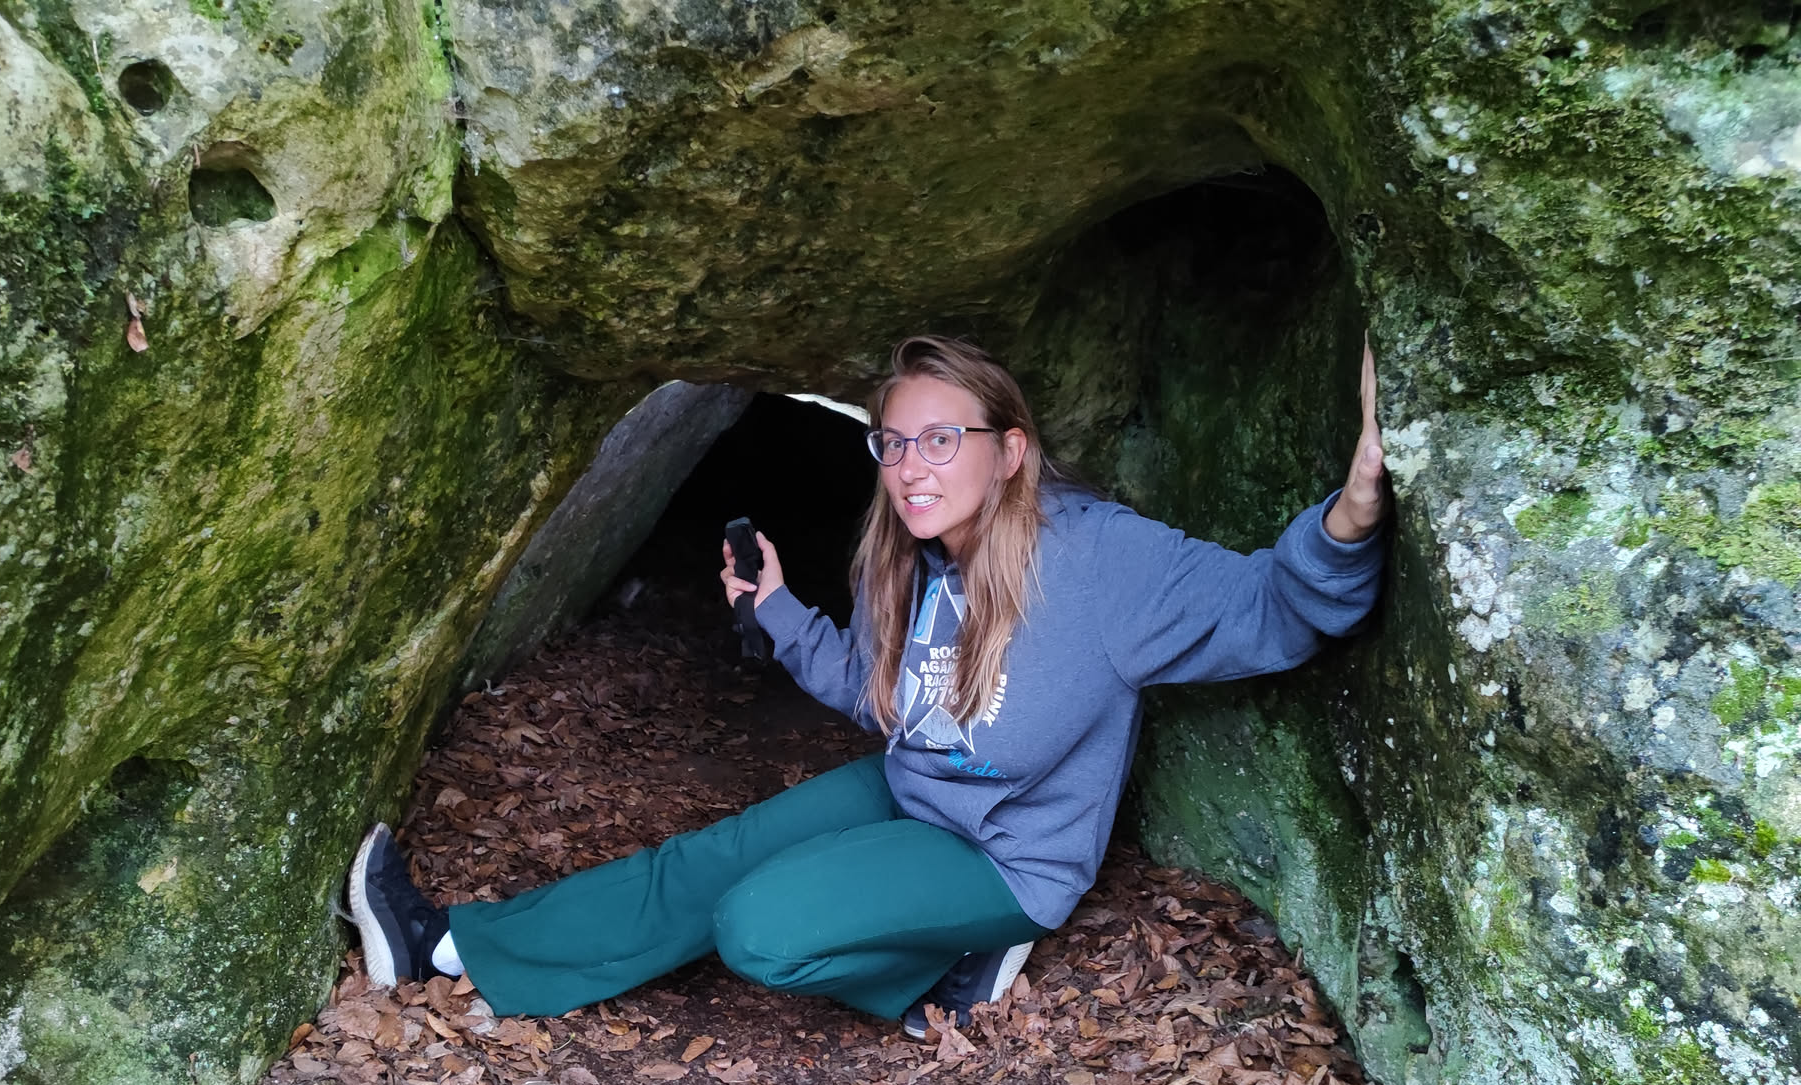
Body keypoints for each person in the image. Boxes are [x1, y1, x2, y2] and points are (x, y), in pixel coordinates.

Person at [347, 335, 1389, 1039]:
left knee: (756, 928)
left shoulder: (1101, 561)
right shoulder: (914, 560)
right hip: (912, 793)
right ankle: (449, 946)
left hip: (1004, 858)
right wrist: (776, 611)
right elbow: (882, 697)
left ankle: (947, 972)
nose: (909, 467)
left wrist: (1353, 508)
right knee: (705, 861)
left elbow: (1272, 608)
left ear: (1010, 452)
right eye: (892, 443)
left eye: (940, 440)